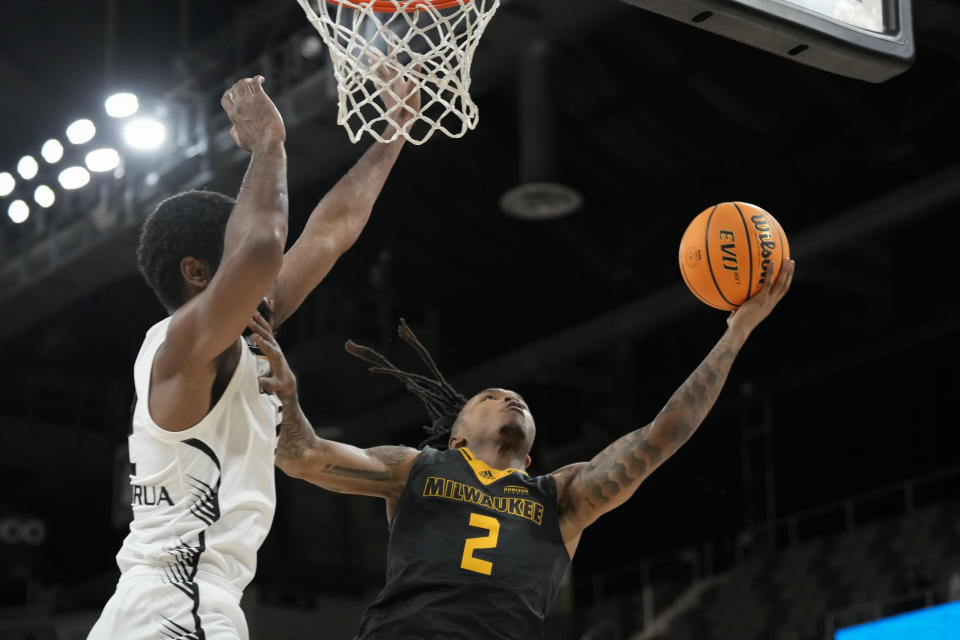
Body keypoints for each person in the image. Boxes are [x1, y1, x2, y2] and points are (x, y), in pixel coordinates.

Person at [262, 259, 795, 639]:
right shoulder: (415, 468)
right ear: (458, 436)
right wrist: (288, 396)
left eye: (518, 399)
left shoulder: (561, 497)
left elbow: (662, 435)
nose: (510, 399)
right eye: (491, 396)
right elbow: (301, 457)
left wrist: (737, 333)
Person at [88, 70, 419, 640]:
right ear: (198, 274)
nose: (264, 274)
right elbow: (263, 245)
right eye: (233, 259)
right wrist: (269, 142)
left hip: (166, 602)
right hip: (178, 602)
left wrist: (395, 131)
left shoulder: (241, 330)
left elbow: (330, 230)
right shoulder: (180, 346)